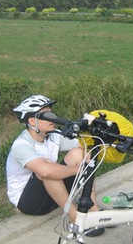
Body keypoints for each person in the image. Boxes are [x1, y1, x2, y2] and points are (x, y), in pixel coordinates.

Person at [6, 94, 105, 236]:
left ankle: (94, 213)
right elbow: (46, 171)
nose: (53, 117)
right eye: (47, 115)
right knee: (47, 168)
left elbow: (82, 145)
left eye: (51, 113)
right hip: (30, 202)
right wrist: (80, 170)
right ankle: (76, 219)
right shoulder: (21, 145)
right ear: (32, 121)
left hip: (52, 194)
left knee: (79, 153)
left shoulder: (52, 136)